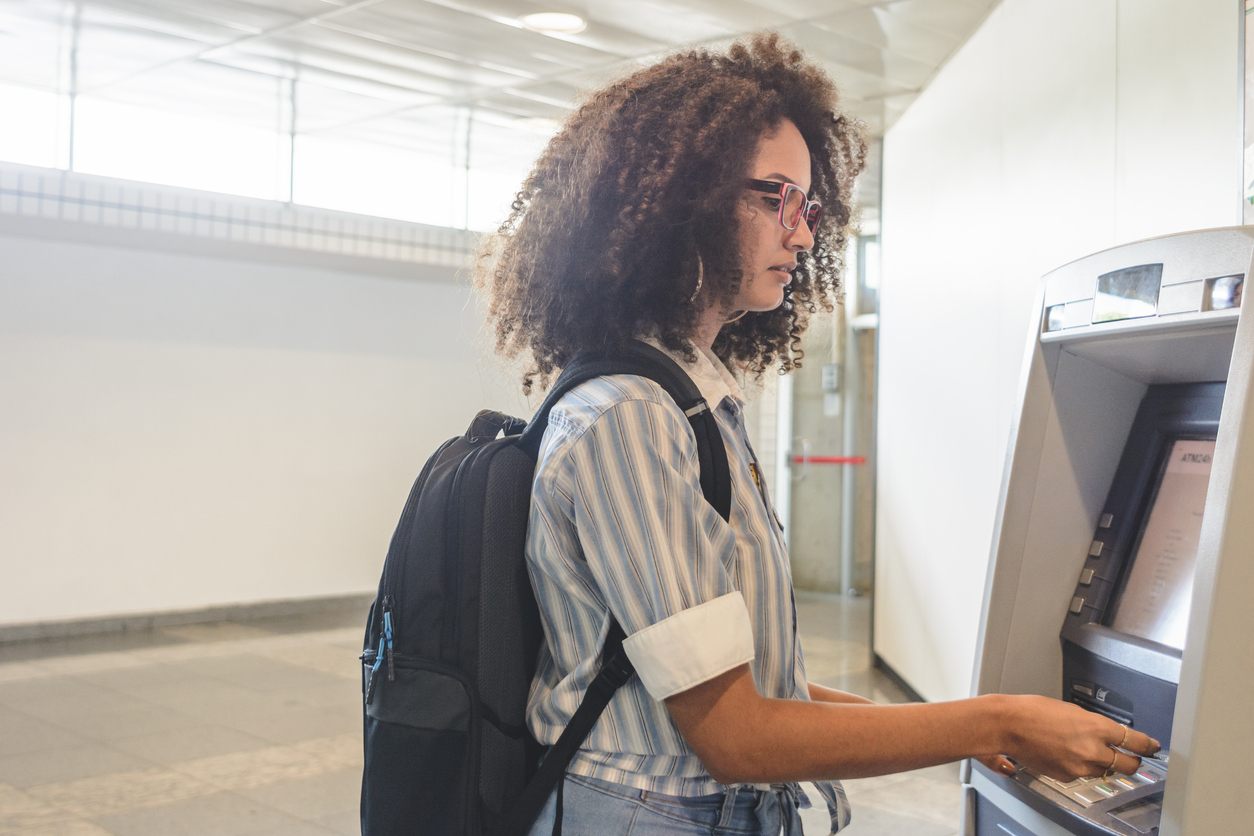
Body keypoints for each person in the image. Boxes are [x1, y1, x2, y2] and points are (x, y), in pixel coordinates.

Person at [475, 33, 1158, 836]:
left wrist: (967, 723)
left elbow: (765, 685)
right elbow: (737, 734)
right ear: (683, 203)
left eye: (811, 208)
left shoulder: (690, 402)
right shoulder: (629, 417)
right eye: (778, 200)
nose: (802, 236)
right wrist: (996, 723)